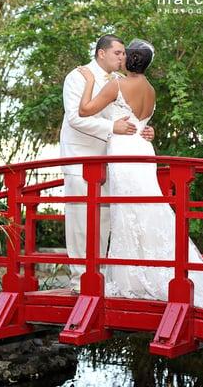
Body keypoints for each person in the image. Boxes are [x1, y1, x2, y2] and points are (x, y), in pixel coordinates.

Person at [77, 38, 203, 316]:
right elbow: (143, 122)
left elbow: (85, 110)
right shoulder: (150, 90)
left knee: (127, 211)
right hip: (143, 148)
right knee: (148, 208)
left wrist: (89, 79)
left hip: (124, 150)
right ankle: (153, 273)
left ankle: (132, 279)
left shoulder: (116, 84)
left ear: (128, 60)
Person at [60, 34, 155, 292]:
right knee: (81, 218)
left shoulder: (119, 82)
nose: (123, 57)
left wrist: (144, 130)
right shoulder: (78, 76)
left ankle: (100, 275)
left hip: (113, 160)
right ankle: (81, 278)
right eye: (118, 53)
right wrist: (113, 127)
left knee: (105, 220)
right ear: (101, 53)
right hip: (81, 157)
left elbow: (130, 117)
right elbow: (75, 119)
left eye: (125, 54)